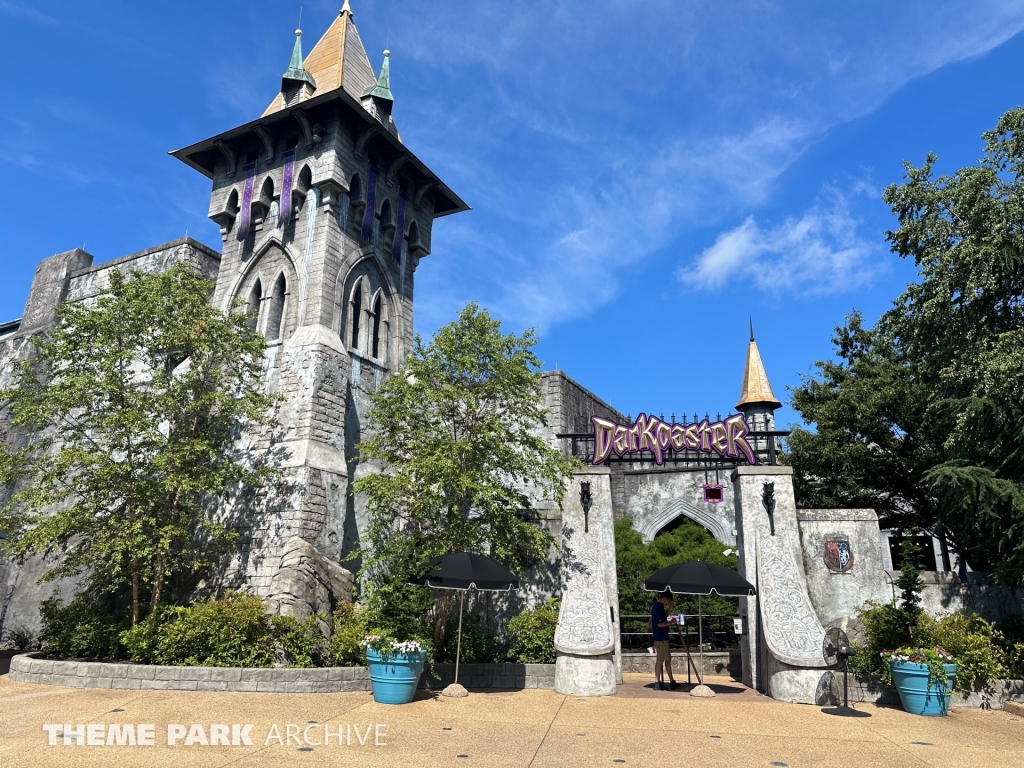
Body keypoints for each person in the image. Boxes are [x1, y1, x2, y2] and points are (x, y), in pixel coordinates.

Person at [650, 590, 680, 690]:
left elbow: (663, 618)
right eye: (669, 600)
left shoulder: (657, 606)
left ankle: (671, 680)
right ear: (665, 598)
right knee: (660, 660)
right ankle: (657, 682)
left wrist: (670, 609)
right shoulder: (658, 607)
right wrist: (671, 622)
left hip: (661, 637)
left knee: (667, 659)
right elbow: (660, 624)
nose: (669, 602)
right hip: (661, 638)